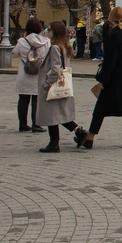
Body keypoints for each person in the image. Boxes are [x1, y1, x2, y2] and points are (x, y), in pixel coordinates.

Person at [80, 7, 122, 149]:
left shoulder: (114, 34)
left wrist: (103, 79)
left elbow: (110, 59)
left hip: (115, 75)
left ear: (111, 17)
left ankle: (90, 138)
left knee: (101, 107)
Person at [36, 21, 87, 152]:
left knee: (52, 115)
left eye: (49, 29)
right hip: (61, 85)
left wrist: (46, 84)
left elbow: (56, 69)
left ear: (55, 32)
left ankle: (54, 143)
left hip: (53, 86)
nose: (47, 32)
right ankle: (78, 131)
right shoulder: (64, 46)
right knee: (57, 114)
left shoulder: (54, 47)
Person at [11, 18, 49, 132]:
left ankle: (22, 124)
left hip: (25, 74)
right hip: (39, 73)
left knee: (23, 100)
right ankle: (36, 124)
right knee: (36, 100)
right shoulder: (46, 41)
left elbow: (14, 52)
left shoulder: (22, 41)